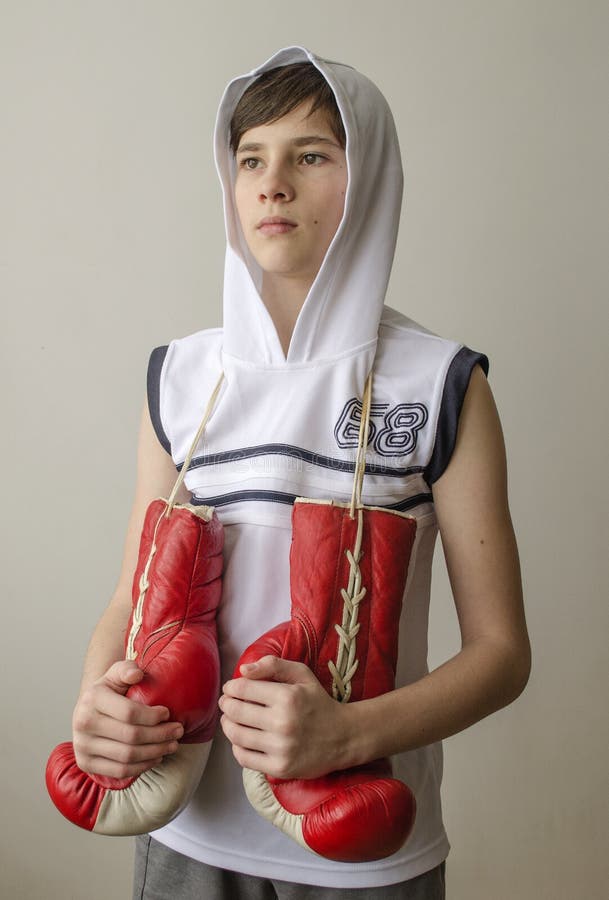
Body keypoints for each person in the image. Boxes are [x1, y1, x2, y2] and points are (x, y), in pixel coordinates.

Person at [71, 47, 531, 899]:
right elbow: (132, 600)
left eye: (310, 154)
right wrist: (97, 699)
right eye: (250, 159)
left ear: (371, 181)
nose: (271, 183)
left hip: (364, 847)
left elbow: (501, 655)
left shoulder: (440, 383)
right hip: (183, 836)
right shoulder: (178, 376)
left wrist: (348, 735)